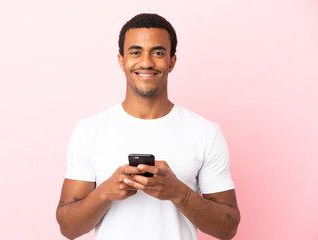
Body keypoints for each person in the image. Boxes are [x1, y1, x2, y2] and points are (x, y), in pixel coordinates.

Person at [56, 13, 240, 240]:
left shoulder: (205, 133)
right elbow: (68, 228)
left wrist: (178, 193)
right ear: (121, 60)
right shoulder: (89, 131)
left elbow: (228, 228)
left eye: (158, 52)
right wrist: (104, 192)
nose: (146, 62)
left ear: (171, 62)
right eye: (135, 52)